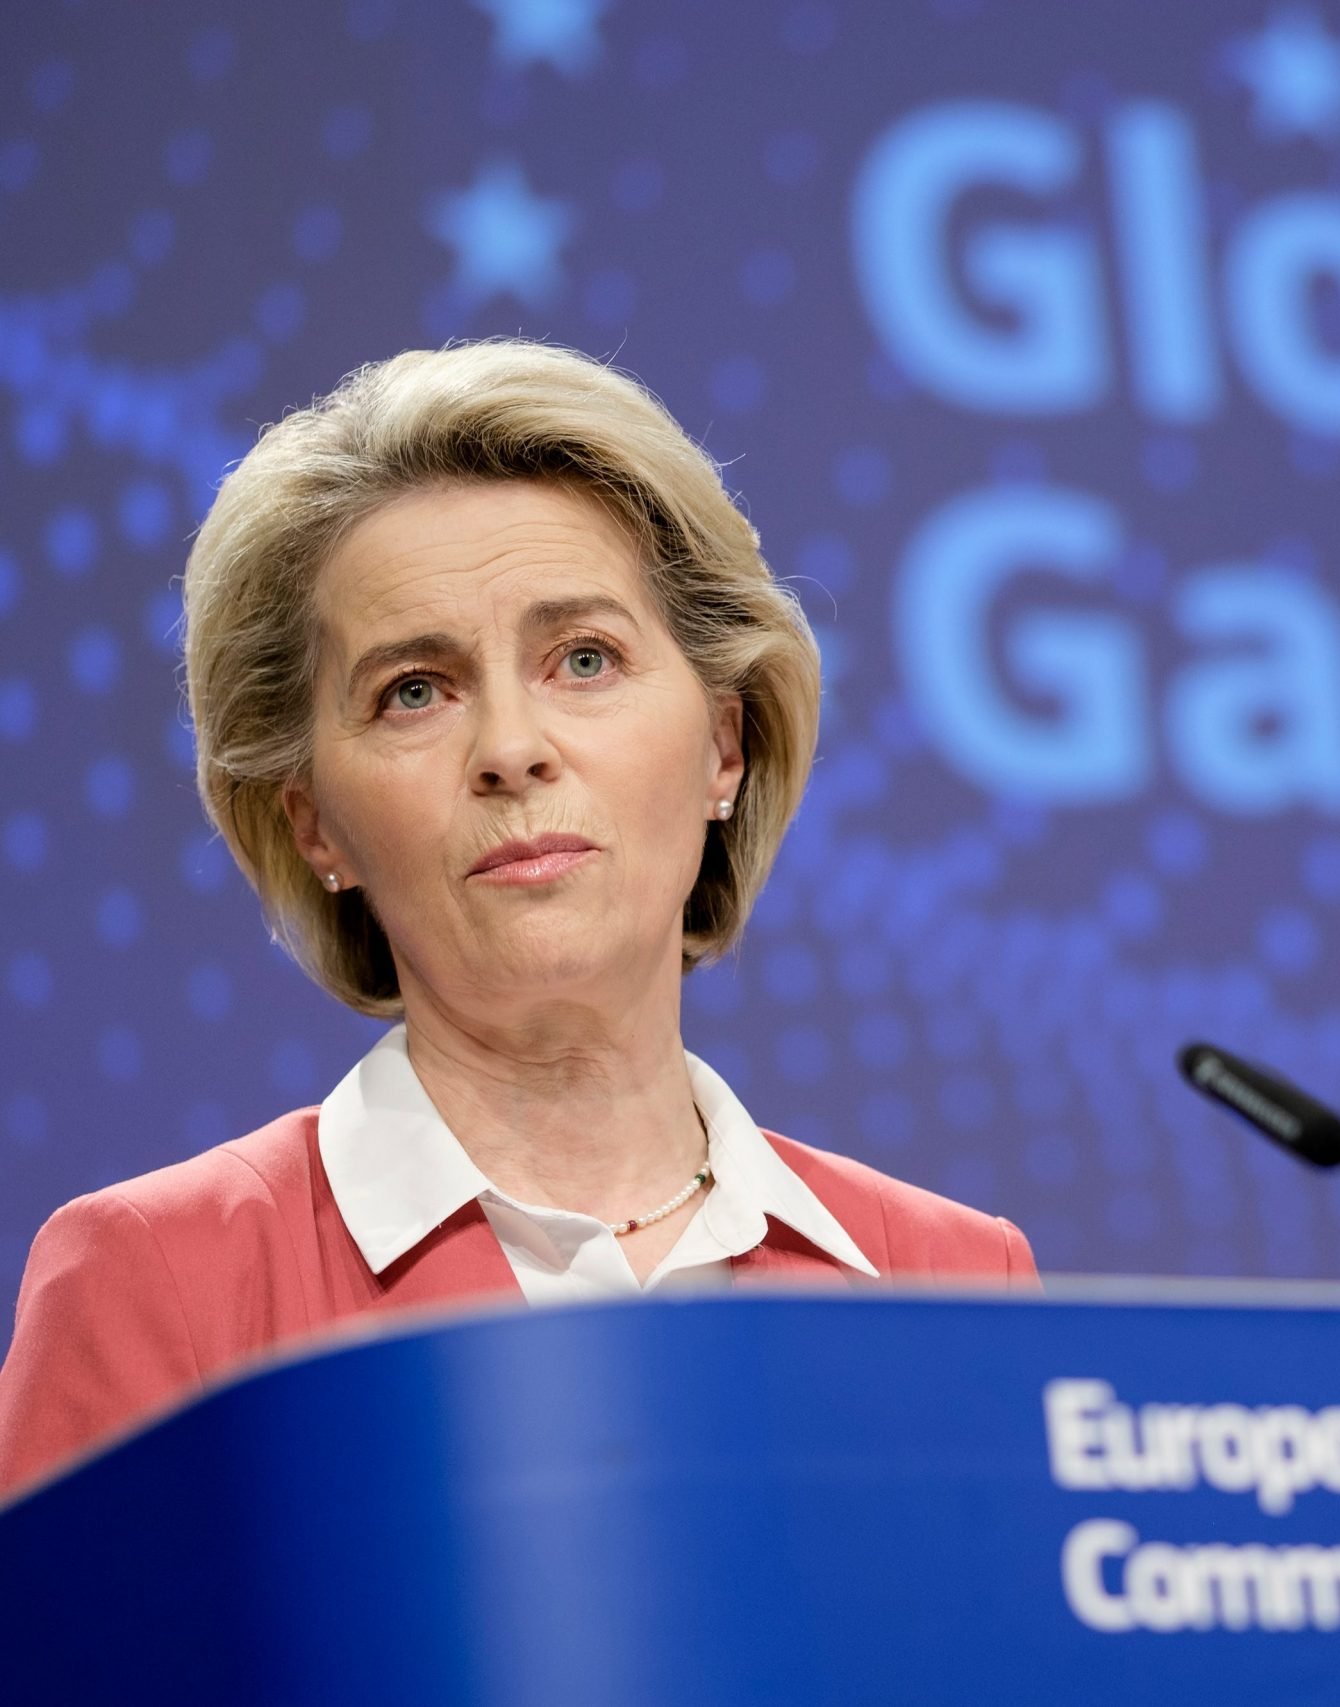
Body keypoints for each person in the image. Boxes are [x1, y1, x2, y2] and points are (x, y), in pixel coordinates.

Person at [0, 340, 1035, 1497]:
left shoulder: (950, 1281)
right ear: (313, 825)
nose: (509, 750)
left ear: (724, 748)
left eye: (583, 659)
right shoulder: (164, 1280)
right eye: (414, 692)